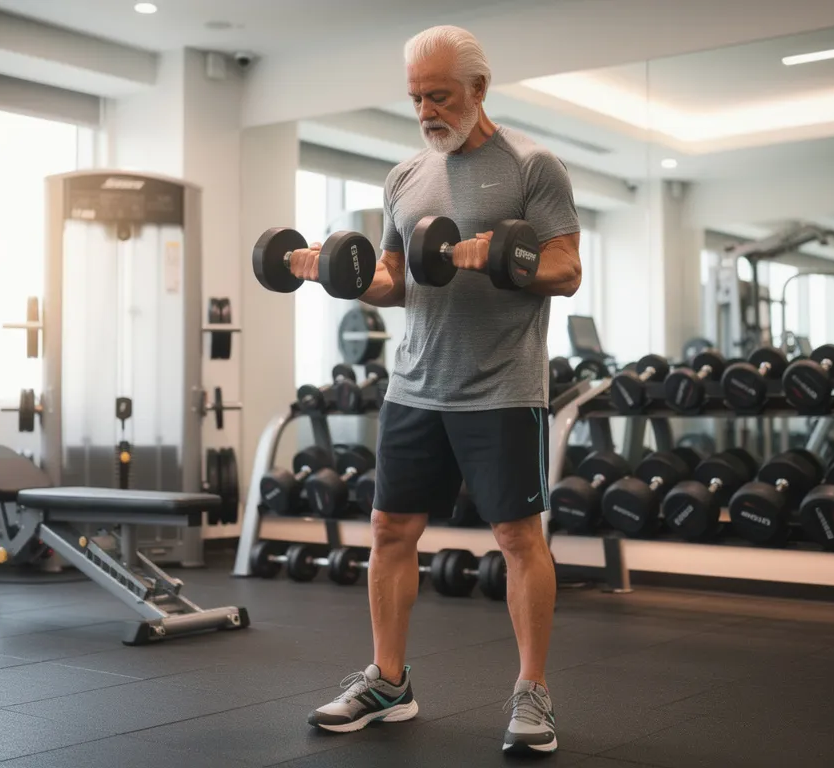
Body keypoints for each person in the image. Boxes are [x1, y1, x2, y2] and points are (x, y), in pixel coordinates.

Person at [286, 25, 581, 755]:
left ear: (479, 90)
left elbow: (567, 270)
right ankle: (389, 682)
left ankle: (532, 692)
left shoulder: (531, 166)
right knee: (390, 532)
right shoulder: (402, 176)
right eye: (416, 96)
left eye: (439, 95)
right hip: (415, 386)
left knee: (517, 537)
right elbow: (391, 279)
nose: (425, 109)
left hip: (504, 388)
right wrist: (334, 273)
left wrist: (502, 260)